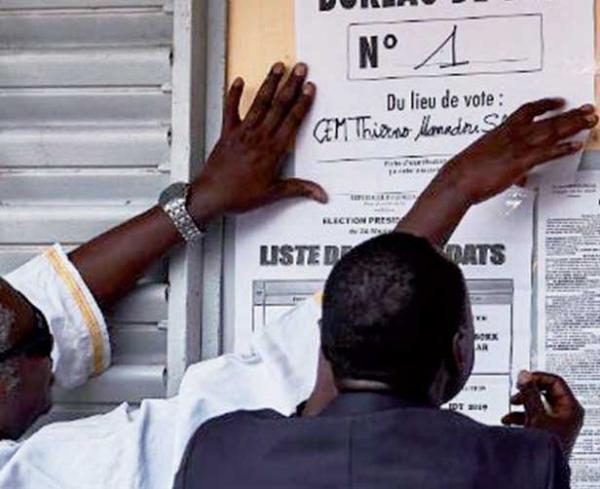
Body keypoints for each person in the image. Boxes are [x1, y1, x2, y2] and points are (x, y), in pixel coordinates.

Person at [0, 61, 594, 487]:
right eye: (42, 336)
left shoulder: (219, 451)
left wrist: (196, 204)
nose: (57, 345)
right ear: (461, 352)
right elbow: (267, 387)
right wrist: (455, 187)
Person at [172, 99, 596, 488]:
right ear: (459, 352)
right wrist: (548, 452)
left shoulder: (217, 452)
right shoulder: (523, 465)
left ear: (324, 345)